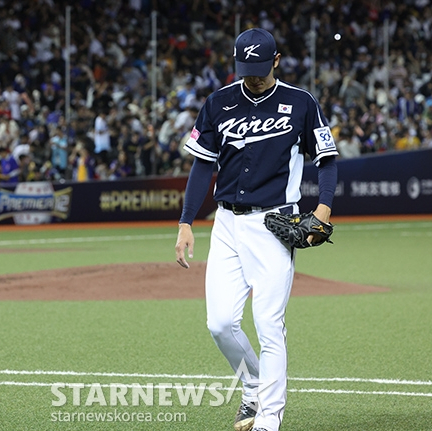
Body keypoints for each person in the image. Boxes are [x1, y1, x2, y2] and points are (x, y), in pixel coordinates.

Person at [174, 28, 339, 431]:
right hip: (226, 224)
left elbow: (327, 159)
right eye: (246, 69)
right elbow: (202, 166)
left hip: (274, 223)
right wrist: (185, 221)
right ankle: (252, 387)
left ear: (277, 61)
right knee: (220, 323)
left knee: (268, 325)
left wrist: (323, 209)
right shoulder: (218, 103)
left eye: (261, 69)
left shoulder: (300, 103)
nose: (254, 76)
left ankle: (268, 419)